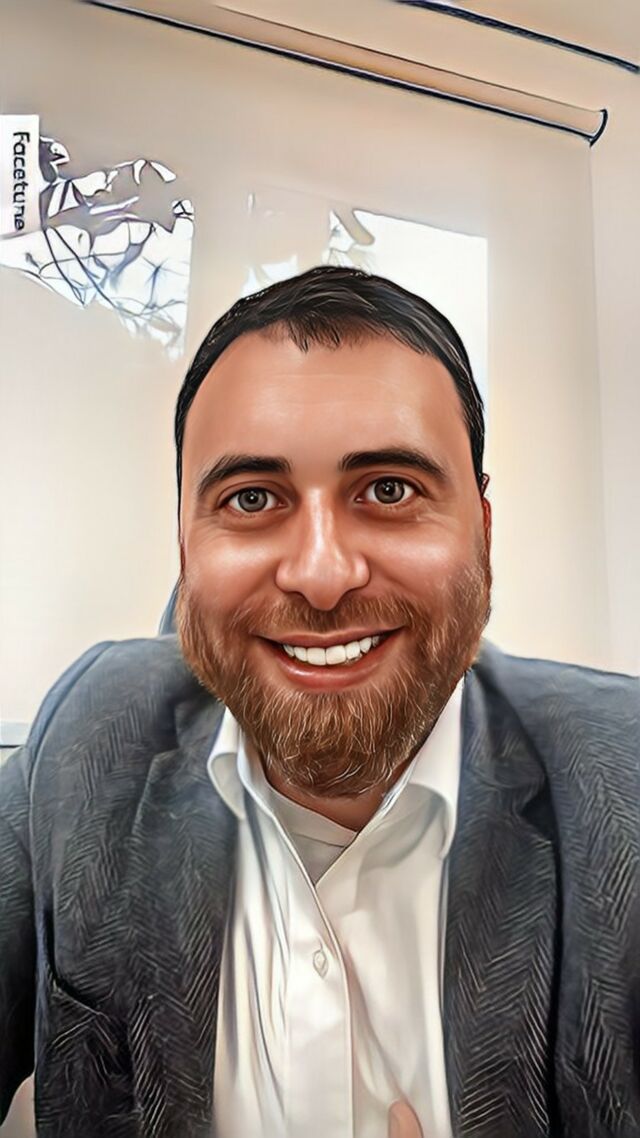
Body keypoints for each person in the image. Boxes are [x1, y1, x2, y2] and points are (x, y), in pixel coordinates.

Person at [0, 267, 638, 1138]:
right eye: (251, 499)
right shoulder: (91, 733)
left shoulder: (624, 779)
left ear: (483, 536)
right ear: (185, 547)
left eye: (389, 489)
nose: (322, 575)